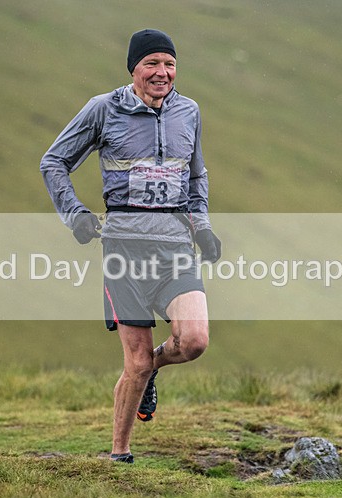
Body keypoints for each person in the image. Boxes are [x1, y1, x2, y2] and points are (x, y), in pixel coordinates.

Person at [40, 29, 221, 464]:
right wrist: (76, 215)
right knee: (135, 362)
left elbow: (196, 176)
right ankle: (119, 455)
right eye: (152, 64)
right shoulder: (104, 109)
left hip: (176, 245)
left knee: (194, 340)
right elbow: (54, 161)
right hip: (125, 252)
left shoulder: (189, 112)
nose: (163, 73)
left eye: (170, 64)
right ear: (134, 69)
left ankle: (152, 370)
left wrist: (203, 227)